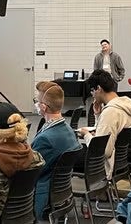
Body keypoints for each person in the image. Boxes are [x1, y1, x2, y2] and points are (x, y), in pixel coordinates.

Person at [30, 81, 80, 220]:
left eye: (36, 101)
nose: (36, 104)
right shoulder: (68, 131)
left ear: (44, 107)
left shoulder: (46, 139)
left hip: (40, 197)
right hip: (60, 194)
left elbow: (29, 171)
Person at [77, 70, 131, 178]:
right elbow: (108, 133)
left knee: (65, 155)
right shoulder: (127, 105)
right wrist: (98, 115)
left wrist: (86, 134)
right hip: (121, 160)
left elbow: (104, 150)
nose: (92, 95)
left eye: (92, 91)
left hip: (104, 164)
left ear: (99, 88)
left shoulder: (110, 112)